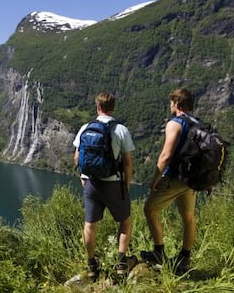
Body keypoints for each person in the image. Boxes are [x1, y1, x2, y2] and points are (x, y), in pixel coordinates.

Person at [73, 92, 137, 280]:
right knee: (125, 221)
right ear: (113, 107)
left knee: (90, 225)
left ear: (97, 107)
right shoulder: (120, 130)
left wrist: (83, 178)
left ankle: (92, 264)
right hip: (113, 183)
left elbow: (77, 157)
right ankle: (121, 263)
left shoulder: (85, 127)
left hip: (90, 183)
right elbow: (127, 163)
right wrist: (125, 185)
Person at [142, 88, 197, 275]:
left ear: (177, 104)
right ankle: (184, 257)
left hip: (174, 178)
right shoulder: (198, 124)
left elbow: (165, 155)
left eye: (172, 102)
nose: (170, 105)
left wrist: (155, 179)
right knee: (188, 217)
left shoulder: (175, 123)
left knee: (149, 209)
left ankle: (158, 252)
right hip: (192, 181)